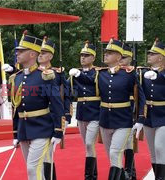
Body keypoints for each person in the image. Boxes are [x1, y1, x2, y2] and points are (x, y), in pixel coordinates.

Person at [11, 33, 65, 180]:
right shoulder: (17, 78)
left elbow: (56, 105)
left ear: (32, 54)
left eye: (21, 51)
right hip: (23, 129)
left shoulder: (45, 76)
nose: (18, 53)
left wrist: (58, 131)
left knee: (32, 169)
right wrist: (15, 133)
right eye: (18, 50)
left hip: (42, 128)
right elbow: (15, 108)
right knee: (35, 170)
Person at [97, 39, 146, 179]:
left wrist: (141, 117)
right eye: (106, 52)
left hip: (123, 121)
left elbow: (140, 97)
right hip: (105, 121)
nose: (106, 55)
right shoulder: (100, 74)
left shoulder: (129, 74)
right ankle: (124, 176)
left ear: (119, 57)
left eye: (110, 53)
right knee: (112, 157)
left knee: (115, 153)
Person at [38, 37, 72, 180]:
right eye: (39, 52)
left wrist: (66, 114)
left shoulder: (58, 73)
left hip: (53, 116)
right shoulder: (33, 72)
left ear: (51, 56)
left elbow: (66, 94)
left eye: (44, 53)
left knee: (48, 154)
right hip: (38, 117)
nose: (40, 55)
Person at [69, 41, 100, 180]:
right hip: (81, 113)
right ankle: (93, 175)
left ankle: (89, 176)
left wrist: (78, 75)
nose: (83, 58)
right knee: (88, 146)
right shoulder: (76, 73)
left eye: (87, 55)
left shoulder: (98, 73)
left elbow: (90, 81)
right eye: (82, 55)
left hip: (95, 112)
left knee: (89, 143)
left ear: (93, 58)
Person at [137, 39, 165, 179]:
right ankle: (158, 176)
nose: (149, 55)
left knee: (160, 147)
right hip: (149, 115)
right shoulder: (143, 73)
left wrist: (159, 76)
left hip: (163, 115)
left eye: (152, 54)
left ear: (160, 57)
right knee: (153, 150)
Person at [119, 43, 137, 179]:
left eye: (124, 58)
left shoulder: (133, 73)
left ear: (130, 59)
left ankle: (129, 171)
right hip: (116, 110)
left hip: (130, 107)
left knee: (129, 140)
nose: (121, 60)